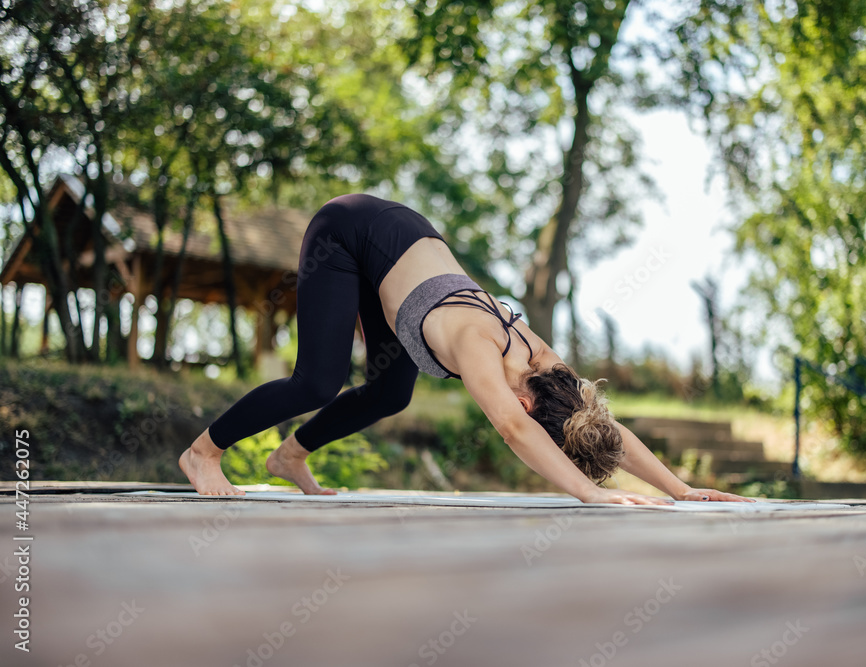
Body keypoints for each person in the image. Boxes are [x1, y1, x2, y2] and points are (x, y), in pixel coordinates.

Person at [179, 194, 752, 505]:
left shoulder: (546, 364)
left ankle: (290, 456)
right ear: (531, 404)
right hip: (347, 231)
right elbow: (512, 428)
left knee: (389, 391)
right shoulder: (482, 348)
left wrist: (679, 488)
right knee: (316, 382)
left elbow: (600, 424)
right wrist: (587, 494)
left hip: (401, 244)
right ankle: (203, 452)